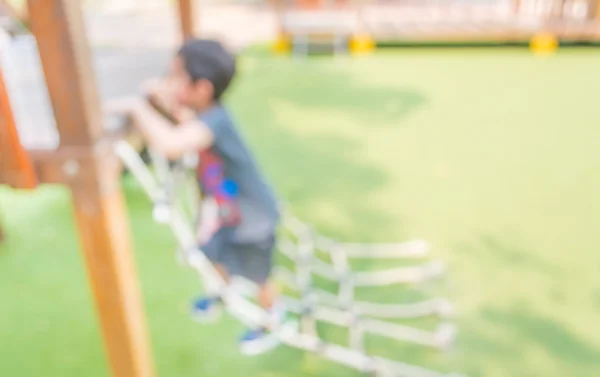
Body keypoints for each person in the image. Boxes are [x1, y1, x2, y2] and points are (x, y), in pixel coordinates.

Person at [104, 39, 285, 355]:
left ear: (201, 89)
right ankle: (223, 292)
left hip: (253, 218)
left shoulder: (214, 121)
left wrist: (136, 107)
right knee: (212, 253)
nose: (169, 82)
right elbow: (180, 116)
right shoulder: (203, 112)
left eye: (176, 76)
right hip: (229, 213)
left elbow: (171, 143)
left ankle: (273, 320)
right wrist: (161, 96)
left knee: (259, 276)